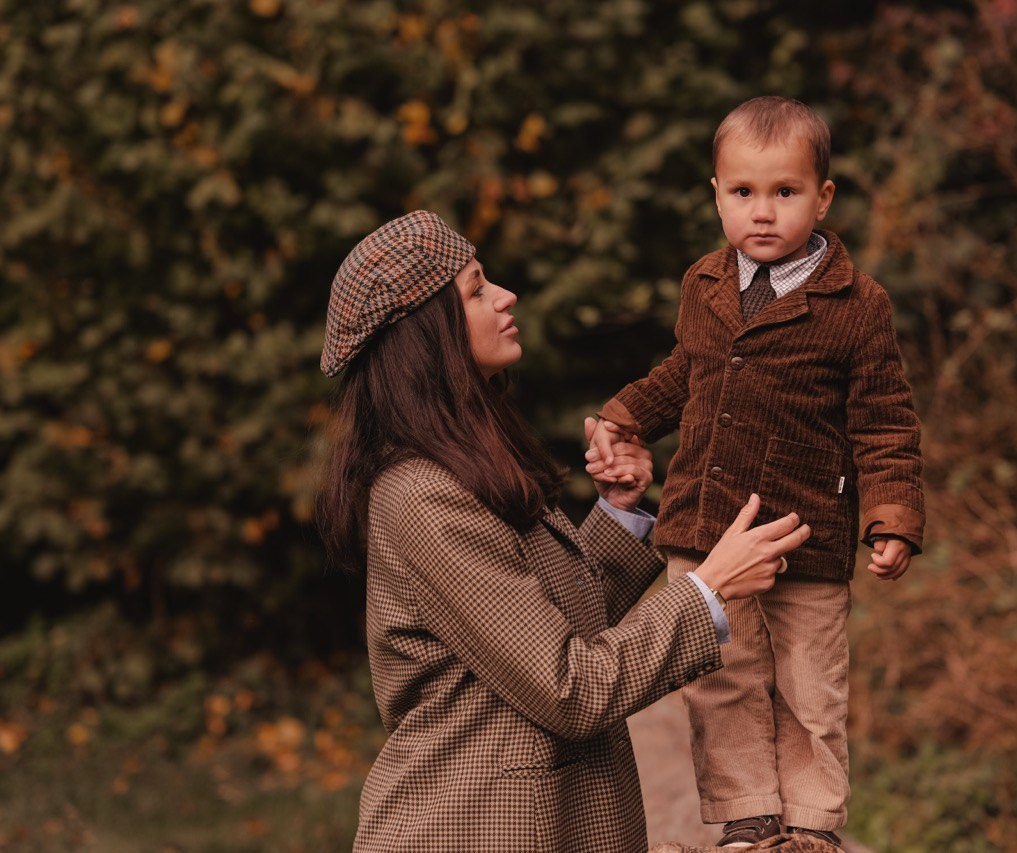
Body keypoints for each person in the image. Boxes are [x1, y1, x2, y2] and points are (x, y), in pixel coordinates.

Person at [315, 210, 811, 852]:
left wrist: (620, 512)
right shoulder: (422, 496)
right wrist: (709, 589)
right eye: (476, 290)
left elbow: (547, 625)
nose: (505, 296)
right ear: (426, 336)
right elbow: (571, 686)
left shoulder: (463, 464)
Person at [588, 96, 926, 848]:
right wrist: (626, 415)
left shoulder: (857, 304)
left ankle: (810, 823)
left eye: (785, 191)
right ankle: (748, 812)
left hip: (805, 531)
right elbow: (685, 371)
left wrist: (893, 515)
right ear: (716, 195)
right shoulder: (704, 284)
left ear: (823, 197)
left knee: (810, 684)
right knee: (722, 674)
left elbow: (885, 422)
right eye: (743, 192)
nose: (762, 212)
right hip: (707, 525)